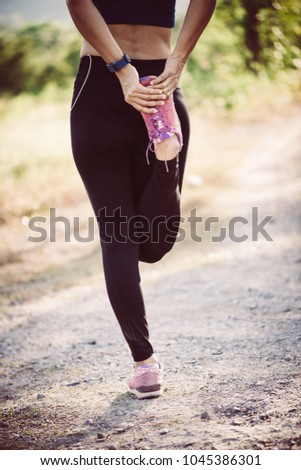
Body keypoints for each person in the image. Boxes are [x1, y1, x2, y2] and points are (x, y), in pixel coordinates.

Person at [66, 0, 216, 399]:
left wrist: (119, 68)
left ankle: (144, 365)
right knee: (152, 245)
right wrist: (177, 61)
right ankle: (164, 165)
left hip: (99, 89)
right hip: (161, 83)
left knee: (118, 236)